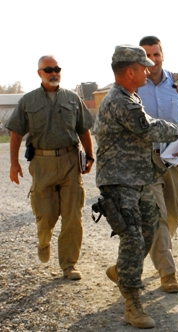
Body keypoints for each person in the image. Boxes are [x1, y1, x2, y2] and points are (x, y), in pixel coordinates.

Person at [94, 44, 178, 328]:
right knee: (133, 238)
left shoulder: (130, 96)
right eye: (143, 66)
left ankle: (122, 270)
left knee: (149, 230)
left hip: (139, 178)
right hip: (119, 182)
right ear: (130, 71)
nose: (148, 69)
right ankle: (132, 303)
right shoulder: (120, 101)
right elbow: (149, 128)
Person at [6, 55, 94, 280]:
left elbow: (84, 129)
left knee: (73, 215)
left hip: (70, 162)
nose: (54, 73)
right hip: (42, 164)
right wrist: (14, 163)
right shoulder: (28, 101)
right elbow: (16, 132)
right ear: (40, 73)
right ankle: (44, 241)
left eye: (57, 69)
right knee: (46, 215)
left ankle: (69, 264)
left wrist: (90, 157)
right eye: (48, 70)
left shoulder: (72, 98)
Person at [137, 36, 178, 293]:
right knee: (157, 216)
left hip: (174, 160)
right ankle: (167, 273)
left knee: (173, 214)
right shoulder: (133, 87)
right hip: (145, 162)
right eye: (146, 56)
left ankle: (139, 257)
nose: (152, 61)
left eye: (156, 54)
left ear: (163, 55)